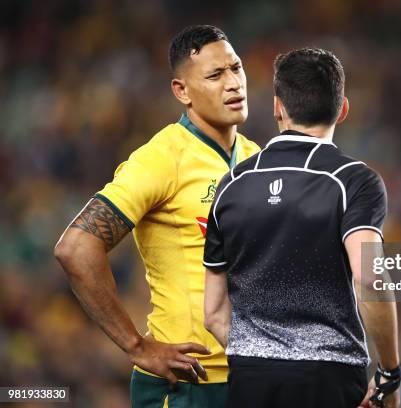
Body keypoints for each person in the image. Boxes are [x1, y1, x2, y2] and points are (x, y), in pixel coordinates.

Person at [54, 25, 259, 407]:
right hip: (186, 383)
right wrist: (137, 345)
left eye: (236, 68)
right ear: (182, 91)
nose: (233, 83)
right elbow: (76, 247)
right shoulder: (161, 158)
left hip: (252, 375)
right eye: (215, 75)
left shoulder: (256, 159)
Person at [203, 48, 401, 408]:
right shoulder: (353, 181)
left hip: (250, 380)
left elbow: (213, 314)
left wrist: (259, 352)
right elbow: (370, 279)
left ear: (277, 107)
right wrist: (390, 373)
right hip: (330, 378)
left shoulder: (231, 184)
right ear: (342, 109)